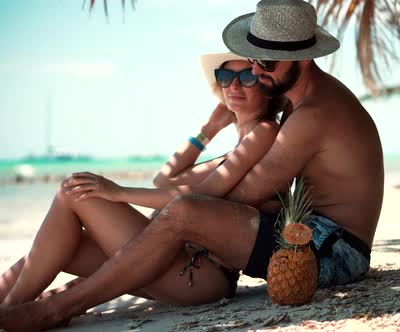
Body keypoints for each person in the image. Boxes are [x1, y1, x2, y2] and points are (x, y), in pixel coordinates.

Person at [0, 0, 384, 330]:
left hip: (334, 253)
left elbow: (244, 195)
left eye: (265, 64)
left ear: (302, 57)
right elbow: (211, 187)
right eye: (254, 62)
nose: (258, 73)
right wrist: (209, 137)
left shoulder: (311, 115)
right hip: (309, 236)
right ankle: (10, 307)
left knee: (184, 210)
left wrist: (137, 202)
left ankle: (53, 310)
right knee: (73, 229)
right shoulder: (297, 104)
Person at [0, 52, 285, 317]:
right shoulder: (235, 151)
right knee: (60, 245)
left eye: (246, 76)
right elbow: (165, 179)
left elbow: (201, 196)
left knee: (75, 192)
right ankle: (7, 305)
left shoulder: (265, 132)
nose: (233, 85)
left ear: (266, 85)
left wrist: (118, 192)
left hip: (198, 275)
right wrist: (209, 129)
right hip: (169, 262)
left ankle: (11, 311)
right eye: (225, 78)